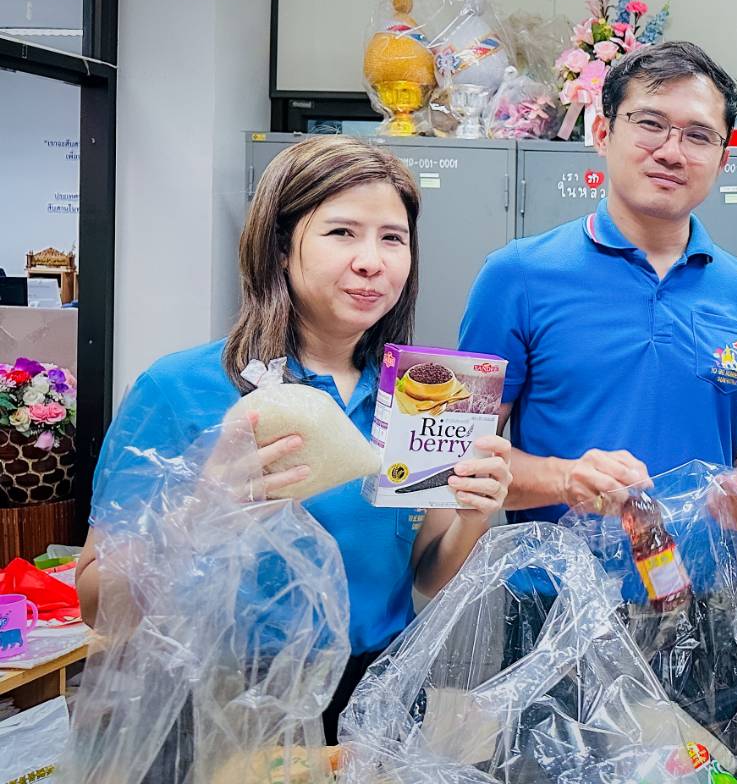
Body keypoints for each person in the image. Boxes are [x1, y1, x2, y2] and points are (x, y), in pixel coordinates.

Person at [76, 135, 512, 744]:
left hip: (374, 696)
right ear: (280, 247)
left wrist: (471, 515)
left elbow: (425, 576)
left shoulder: (424, 390)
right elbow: (97, 603)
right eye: (341, 233)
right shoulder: (181, 388)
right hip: (220, 701)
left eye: (392, 238)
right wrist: (203, 509)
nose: (372, 261)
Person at [456, 42, 737, 757]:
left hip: (702, 605)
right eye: (650, 124)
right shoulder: (516, 276)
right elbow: (456, 459)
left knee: (706, 769)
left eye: (699, 134)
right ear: (601, 133)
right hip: (553, 606)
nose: (673, 149)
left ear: (723, 158)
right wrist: (561, 478)